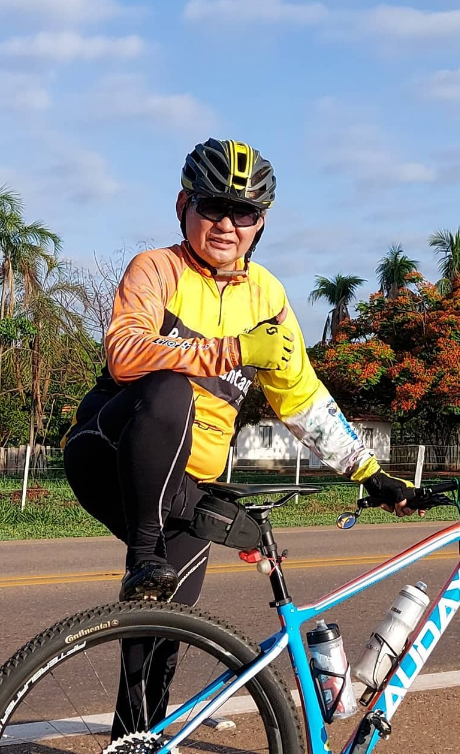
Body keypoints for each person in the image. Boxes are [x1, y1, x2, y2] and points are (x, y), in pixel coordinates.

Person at [64, 136, 414, 605]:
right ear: (184, 204)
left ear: (260, 223)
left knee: (161, 643)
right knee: (170, 388)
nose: (227, 225)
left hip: (185, 489)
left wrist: (370, 474)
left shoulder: (268, 296)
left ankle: (152, 640)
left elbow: (302, 397)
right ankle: (146, 552)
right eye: (213, 207)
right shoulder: (157, 268)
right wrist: (234, 349)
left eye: (243, 213)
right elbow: (125, 353)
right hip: (108, 454)